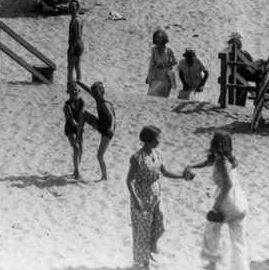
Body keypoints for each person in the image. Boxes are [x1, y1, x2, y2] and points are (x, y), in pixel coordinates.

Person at [125, 125, 195, 269]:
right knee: (142, 231)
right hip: (142, 198)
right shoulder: (137, 158)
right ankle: (144, 263)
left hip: (156, 195)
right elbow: (129, 180)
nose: (160, 140)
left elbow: (166, 172)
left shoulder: (157, 154)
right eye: (158, 137)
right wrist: (136, 199)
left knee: (159, 226)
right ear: (149, 139)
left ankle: (149, 252)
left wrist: (182, 177)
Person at [187, 132, 249, 270]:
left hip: (228, 200)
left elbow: (227, 185)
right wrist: (192, 166)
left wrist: (215, 206)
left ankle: (212, 264)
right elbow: (207, 162)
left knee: (211, 230)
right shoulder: (229, 159)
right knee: (239, 242)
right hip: (241, 202)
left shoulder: (220, 161)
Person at [77, 80, 114, 181]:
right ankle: (79, 135)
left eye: (96, 93)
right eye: (94, 93)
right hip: (101, 125)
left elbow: (111, 117)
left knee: (99, 155)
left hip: (107, 131)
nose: (95, 95)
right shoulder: (98, 99)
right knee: (83, 113)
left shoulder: (105, 104)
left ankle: (104, 176)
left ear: (101, 92)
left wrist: (111, 128)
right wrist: (79, 82)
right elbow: (87, 90)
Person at [62, 81, 86, 179]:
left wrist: (80, 130)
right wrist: (79, 129)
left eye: (75, 90)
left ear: (79, 91)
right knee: (76, 149)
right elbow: (71, 121)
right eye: (71, 90)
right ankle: (76, 171)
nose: (74, 92)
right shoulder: (67, 105)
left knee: (81, 149)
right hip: (70, 128)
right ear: (68, 92)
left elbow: (83, 116)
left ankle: (76, 168)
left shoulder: (82, 102)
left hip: (79, 127)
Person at [146, 29, 177, 97]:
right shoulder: (153, 49)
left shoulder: (169, 49)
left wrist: (164, 65)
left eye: (159, 37)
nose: (158, 39)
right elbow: (152, 63)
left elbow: (175, 61)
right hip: (156, 76)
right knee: (151, 95)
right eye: (156, 37)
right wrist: (148, 76)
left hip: (166, 77)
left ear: (163, 38)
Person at [67, 1, 84, 84]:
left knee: (71, 67)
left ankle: (70, 84)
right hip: (77, 45)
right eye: (70, 6)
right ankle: (78, 82)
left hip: (76, 46)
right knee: (77, 66)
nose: (70, 8)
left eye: (72, 7)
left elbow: (78, 36)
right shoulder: (75, 18)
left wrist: (72, 48)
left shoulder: (76, 20)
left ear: (77, 8)